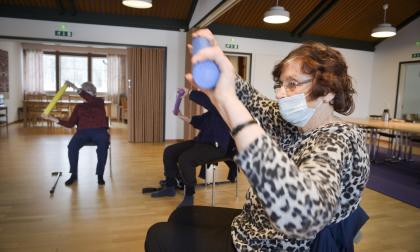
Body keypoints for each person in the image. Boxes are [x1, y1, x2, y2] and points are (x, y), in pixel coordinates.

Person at [145, 29, 370, 251]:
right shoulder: (295, 125)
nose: (280, 94)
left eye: (292, 84)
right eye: (280, 85)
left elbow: (304, 214)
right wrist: (222, 67)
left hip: (275, 244)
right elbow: (253, 100)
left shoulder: (339, 139)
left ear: (328, 91)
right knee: (181, 215)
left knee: (158, 235)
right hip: (256, 224)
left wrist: (228, 103)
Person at [150, 88, 235, 208]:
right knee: (170, 151)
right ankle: (170, 186)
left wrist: (189, 92)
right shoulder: (212, 112)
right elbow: (199, 121)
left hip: (216, 148)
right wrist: (181, 116)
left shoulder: (224, 107)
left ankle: (189, 196)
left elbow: (208, 103)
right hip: (201, 142)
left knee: (186, 159)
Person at [42, 81, 110, 186]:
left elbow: (88, 98)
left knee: (103, 145)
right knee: (72, 146)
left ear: (93, 93)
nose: (85, 94)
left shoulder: (99, 101)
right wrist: (51, 118)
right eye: (84, 91)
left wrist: (74, 87)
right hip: (83, 132)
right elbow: (70, 124)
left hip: (99, 131)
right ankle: (73, 174)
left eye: (87, 91)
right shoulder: (79, 107)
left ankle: (100, 175)